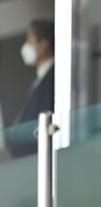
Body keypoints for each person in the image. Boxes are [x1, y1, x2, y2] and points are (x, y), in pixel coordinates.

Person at [8, 21, 55, 158]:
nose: (26, 47)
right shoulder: (39, 77)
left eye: (29, 41)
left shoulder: (53, 77)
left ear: (44, 45)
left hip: (37, 156)